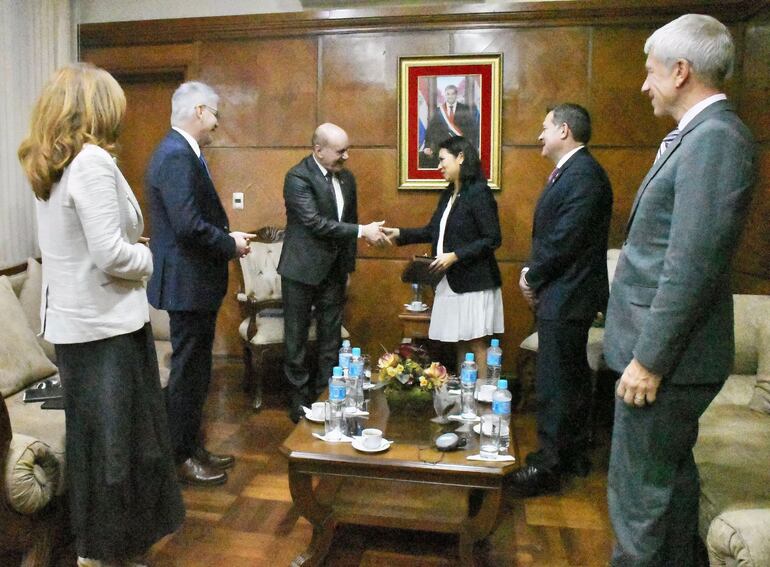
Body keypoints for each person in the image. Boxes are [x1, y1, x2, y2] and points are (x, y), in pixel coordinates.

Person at [603, 14, 755, 566]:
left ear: (681, 71)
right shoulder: (700, 135)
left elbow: (690, 267)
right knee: (668, 491)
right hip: (667, 359)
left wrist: (649, 360)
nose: (644, 84)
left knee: (638, 502)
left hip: (666, 363)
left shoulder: (715, 139)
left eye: (650, 71)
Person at [18, 63, 184, 567]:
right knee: (121, 448)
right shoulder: (91, 162)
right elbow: (111, 254)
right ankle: (104, 553)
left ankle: (103, 548)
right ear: (97, 108)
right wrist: (153, 257)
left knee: (99, 446)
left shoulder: (53, 164)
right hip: (107, 328)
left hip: (79, 328)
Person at [146, 82, 255, 486]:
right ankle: (180, 459)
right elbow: (188, 226)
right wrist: (229, 244)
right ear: (199, 110)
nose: (217, 124)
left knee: (195, 374)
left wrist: (227, 238)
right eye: (215, 115)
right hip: (187, 285)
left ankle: (193, 447)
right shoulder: (176, 154)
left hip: (193, 284)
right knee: (188, 375)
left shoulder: (182, 151)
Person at [512, 104, 613, 495]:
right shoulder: (573, 172)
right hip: (566, 292)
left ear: (564, 130)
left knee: (556, 383)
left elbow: (565, 239)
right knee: (569, 378)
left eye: (545, 127)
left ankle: (548, 467)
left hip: (569, 293)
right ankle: (569, 454)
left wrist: (531, 276)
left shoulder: (583, 175)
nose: (540, 135)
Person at [278, 123, 387, 422]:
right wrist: (363, 231)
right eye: (340, 151)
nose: (346, 157)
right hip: (301, 270)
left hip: (334, 272)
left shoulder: (347, 178)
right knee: (296, 341)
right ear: (319, 150)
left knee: (331, 341)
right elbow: (315, 223)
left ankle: (326, 398)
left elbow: (349, 221)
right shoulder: (297, 177)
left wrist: (348, 267)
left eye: (347, 150)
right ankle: (299, 404)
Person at [382, 136, 503, 378]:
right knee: (460, 341)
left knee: (476, 342)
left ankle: (482, 394)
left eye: (442, 160)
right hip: (451, 280)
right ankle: (466, 395)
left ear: (461, 157)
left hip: (474, 282)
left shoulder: (479, 192)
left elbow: (492, 238)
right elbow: (432, 231)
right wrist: (398, 233)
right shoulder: (449, 193)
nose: (439, 166)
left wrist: (455, 255)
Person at [420, 84, 479, 168]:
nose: (450, 96)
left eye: (452, 94)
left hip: (459, 149)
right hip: (442, 149)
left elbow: (471, 130)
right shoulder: (438, 111)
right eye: (448, 94)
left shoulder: (464, 109)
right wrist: (427, 146)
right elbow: (430, 131)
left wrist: (469, 147)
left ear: (456, 95)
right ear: (445, 95)